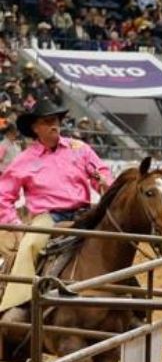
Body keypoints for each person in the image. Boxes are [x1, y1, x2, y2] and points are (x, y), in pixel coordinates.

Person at [0, 100, 112, 313]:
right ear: (35, 128)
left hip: (85, 213)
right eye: (48, 121)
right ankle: (17, 304)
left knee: (114, 240)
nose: (55, 126)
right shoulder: (24, 160)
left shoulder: (78, 149)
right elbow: (3, 195)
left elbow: (99, 172)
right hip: (49, 218)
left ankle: (126, 288)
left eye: (57, 121)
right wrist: (15, 225)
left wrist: (103, 180)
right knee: (29, 245)